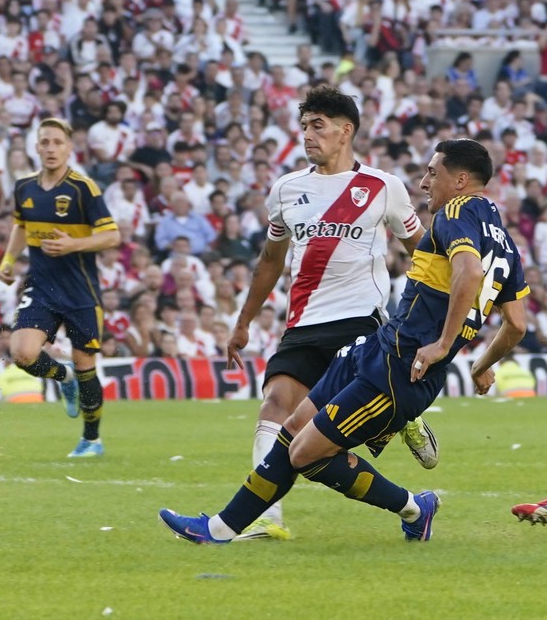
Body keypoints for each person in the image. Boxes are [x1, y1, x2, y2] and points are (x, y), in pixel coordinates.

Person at [161, 139, 528, 544]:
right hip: (377, 347)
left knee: (306, 454)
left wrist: (443, 344)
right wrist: (479, 364)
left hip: (401, 371)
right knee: (292, 428)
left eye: (432, 173)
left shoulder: (457, 210)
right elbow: (515, 324)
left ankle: (414, 507)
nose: (424, 182)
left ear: (460, 180)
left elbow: (469, 273)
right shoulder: (507, 244)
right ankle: (219, 528)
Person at [223, 85, 436, 541]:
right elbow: (270, 260)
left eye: (317, 126)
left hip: (361, 322)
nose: (307, 135)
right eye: (304, 126)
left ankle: (402, 418)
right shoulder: (286, 189)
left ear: (346, 131)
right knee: (276, 406)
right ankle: (268, 519)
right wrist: (243, 322)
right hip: (303, 323)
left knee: (321, 439)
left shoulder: (383, 187)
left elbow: (423, 253)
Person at [0, 118, 120, 458]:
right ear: (36, 147)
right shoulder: (25, 187)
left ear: (69, 148)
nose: (51, 148)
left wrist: (73, 244)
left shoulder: (83, 188)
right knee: (22, 353)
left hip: (80, 290)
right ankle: (64, 378)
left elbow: (112, 235)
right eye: (45, 142)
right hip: (41, 286)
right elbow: (21, 225)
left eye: (57, 142)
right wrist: (8, 260)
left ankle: (91, 440)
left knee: (86, 365)